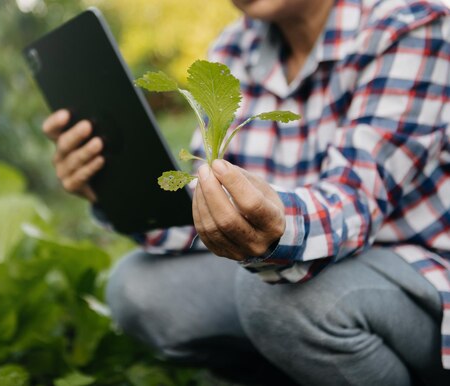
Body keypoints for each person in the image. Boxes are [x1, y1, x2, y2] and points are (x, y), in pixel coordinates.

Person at [42, 0, 450, 384]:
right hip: (295, 264)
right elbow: (200, 221)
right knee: (137, 288)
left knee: (281, 302)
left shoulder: (412, 23)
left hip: (421, 277)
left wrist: (276, 226)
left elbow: (356, 201)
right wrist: (114, 186)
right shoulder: (235, 49)